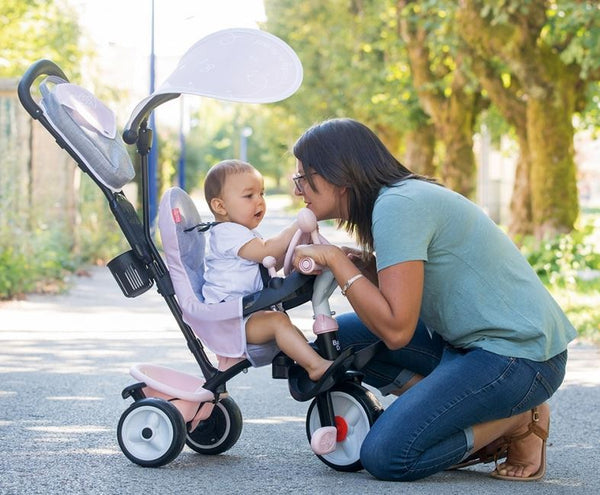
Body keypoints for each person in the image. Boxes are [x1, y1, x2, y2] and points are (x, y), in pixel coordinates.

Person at [289, 118, 576, 482]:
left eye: (302, 178)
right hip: (469, 346)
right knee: (344, 339)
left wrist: (337, 261)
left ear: (337, 172)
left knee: (386, 456)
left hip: (519, 357)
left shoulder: (398, 205)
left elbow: (396, 331)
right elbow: (405, 300)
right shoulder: (395, 201)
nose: (298, 190)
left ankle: (518, 420)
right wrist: (361, 265)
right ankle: (449, 412)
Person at [202, 159, 332, 381]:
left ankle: (313, 358)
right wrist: (297, 226)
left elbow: (269, 261)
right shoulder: (226, 233)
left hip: (246, 313)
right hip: (231, 321)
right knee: (278, 323)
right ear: (220, 206)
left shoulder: (243, 234)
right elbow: (267, 251)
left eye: (261, 194)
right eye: (249, 196)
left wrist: (296, 252)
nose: (259, 202)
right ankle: (315, 366)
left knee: (284, 323)